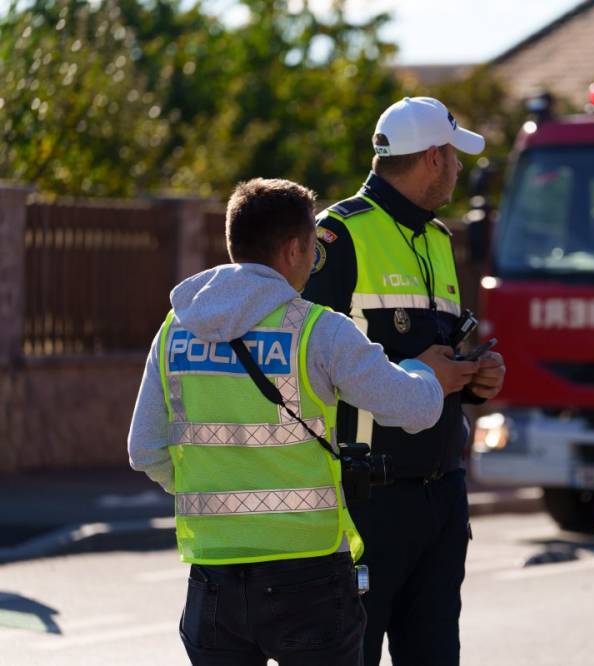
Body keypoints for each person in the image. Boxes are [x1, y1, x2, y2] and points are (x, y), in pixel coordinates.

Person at [127, 177, 469, 666]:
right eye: (312, 247)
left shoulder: (176, 330)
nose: (314, 261)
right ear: (292, 250)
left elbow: (145, 451)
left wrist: (213, 487)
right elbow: (414, 408)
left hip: (213, 582)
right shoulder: (317, 330)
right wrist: (423, 371)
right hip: (306, 581)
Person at [302, 97, 506, 666]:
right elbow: (309, 366)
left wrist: (471, 377)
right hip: (369, 500)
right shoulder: (336, 237)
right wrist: (423, 374)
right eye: (455, 158)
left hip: (441, 492)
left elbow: (436, 351)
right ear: (434, 158)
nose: (461, 171)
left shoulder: (440, 240)